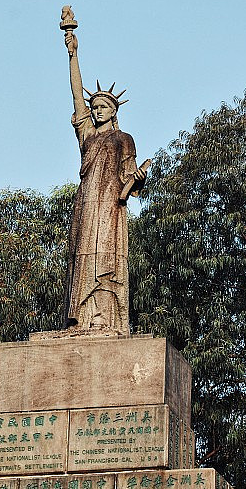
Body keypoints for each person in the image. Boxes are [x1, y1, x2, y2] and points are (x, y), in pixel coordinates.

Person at [63, 28, 146, 334]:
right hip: (86, 205)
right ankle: (80, 317)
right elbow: (76, 96)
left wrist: (137, 178)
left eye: (103, 107)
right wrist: (73, 54)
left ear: (114, 111)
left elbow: (130, 177)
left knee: (106, 259)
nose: (97, 111)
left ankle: (105, 318)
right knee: (83, 256)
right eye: (95, 107)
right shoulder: (87, 136)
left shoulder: (124, 139)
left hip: (110, 206)